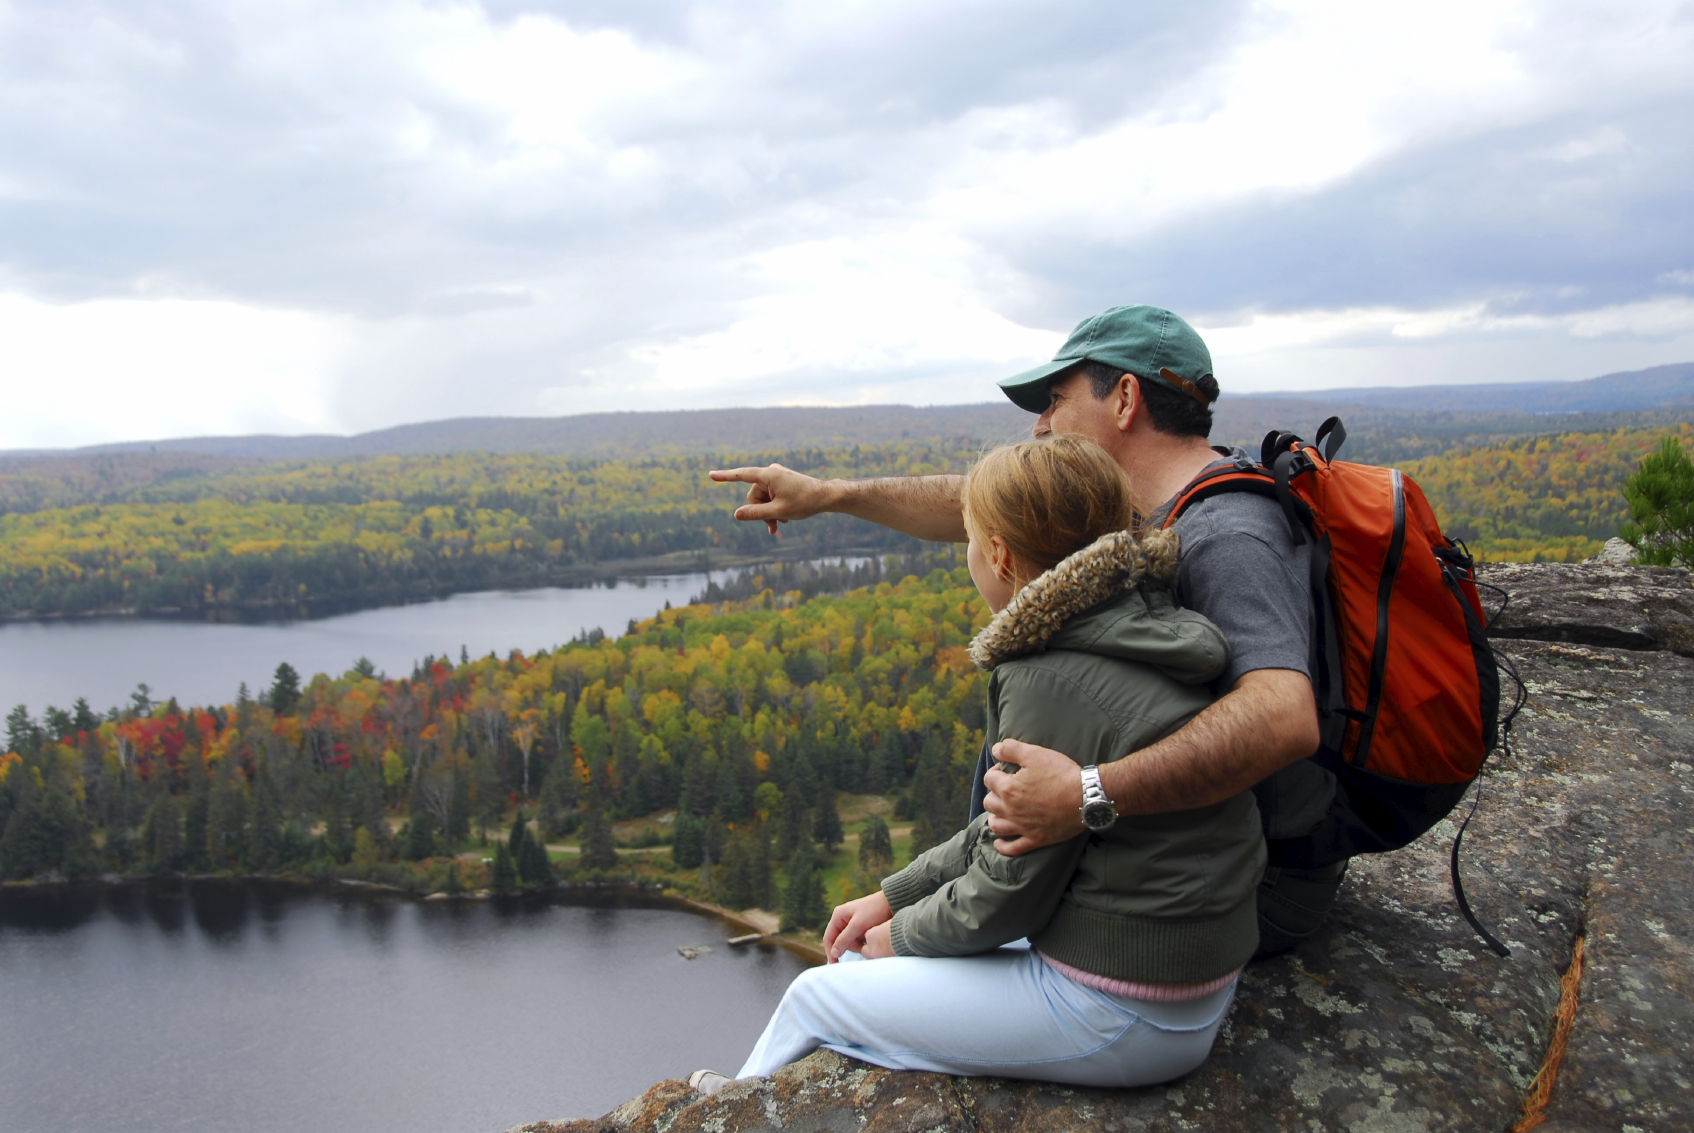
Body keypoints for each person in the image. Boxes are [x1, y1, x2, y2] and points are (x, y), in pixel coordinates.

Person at [711, 305, 1342, 959]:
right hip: (1152, 860)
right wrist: (829, 494)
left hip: (1244, 889)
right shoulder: (1146, 508)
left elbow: (1282, 717)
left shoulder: (1229, 533)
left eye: (1055, 399)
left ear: (1124, 397)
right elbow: (991, 502)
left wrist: (1085, 795)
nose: (1040, 424)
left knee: (894, 974)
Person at [697, 437, 1262, 1093]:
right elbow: (1010, 827)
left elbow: (1008, 894)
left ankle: (726, 1107)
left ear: (998, 555)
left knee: (819, 996)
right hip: (1181, 978)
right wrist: (893, 894)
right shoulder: (1140, 619)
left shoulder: (1049, 674)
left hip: (1126, 1009)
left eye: (969, 538)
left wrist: (897, 938)